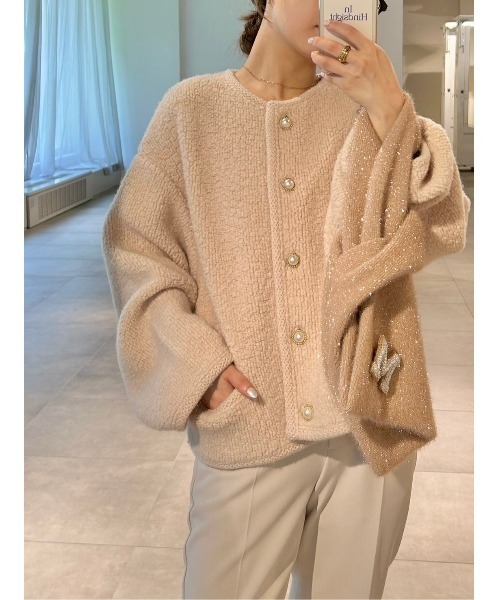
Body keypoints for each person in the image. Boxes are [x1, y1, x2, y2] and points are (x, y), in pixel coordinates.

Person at [102, 1, 471, 598]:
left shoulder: (370, 109)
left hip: (369, 425)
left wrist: (389, 109)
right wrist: (199, 366)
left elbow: (441, 224)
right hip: (251, 424)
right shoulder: (191, 112)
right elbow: (138, 250)